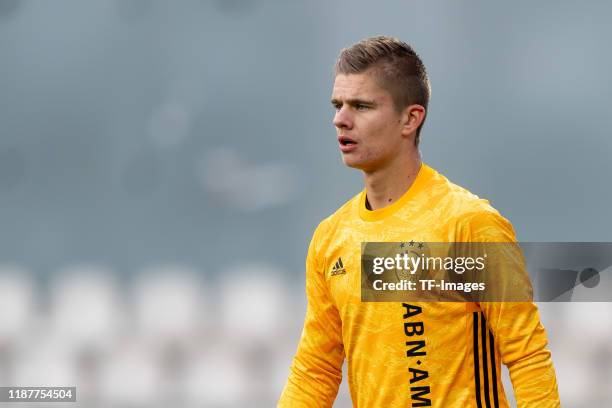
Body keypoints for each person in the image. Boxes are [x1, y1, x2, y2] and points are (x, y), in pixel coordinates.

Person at [278, 36, 560, 407]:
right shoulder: (332, 237)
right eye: (338, 105)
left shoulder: (468, 224)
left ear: (410, 118)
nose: (340, 119)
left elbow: (527, 356)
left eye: (361, 106)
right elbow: (316, 370)